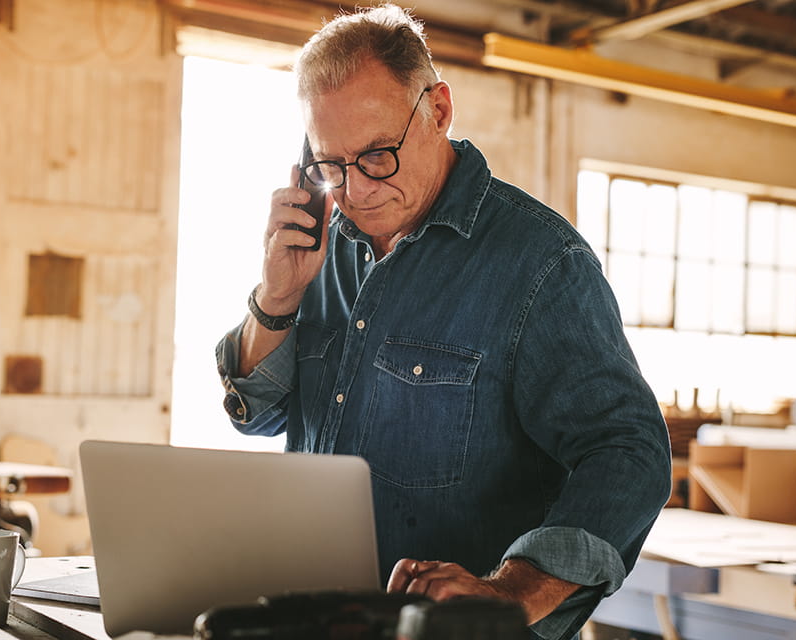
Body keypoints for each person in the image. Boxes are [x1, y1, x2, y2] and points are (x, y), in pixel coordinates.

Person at [214, 4, 672, 639]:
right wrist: (277, 297)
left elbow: (629, 453)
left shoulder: (541, 264)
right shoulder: (320, 246)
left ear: (437, 110)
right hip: (314, 619)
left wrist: (507, 593)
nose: (356, 190)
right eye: (330, 165)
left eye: (377, 155)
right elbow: (257, 415)